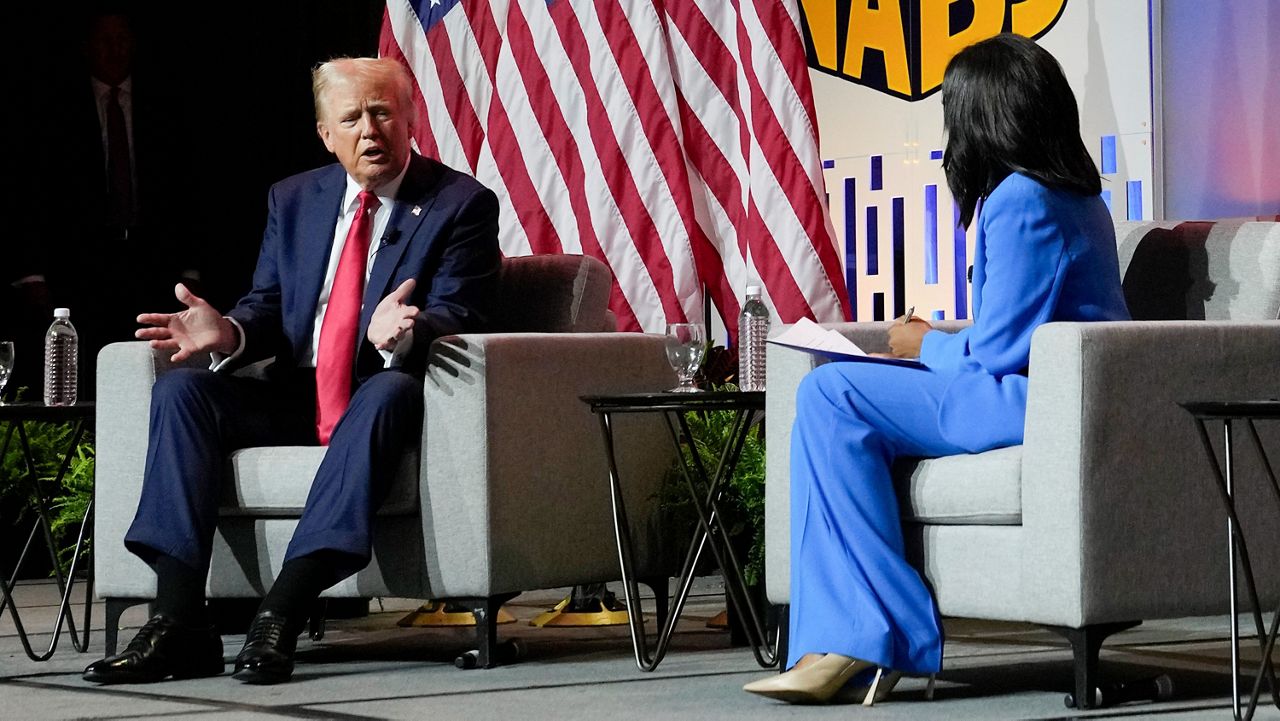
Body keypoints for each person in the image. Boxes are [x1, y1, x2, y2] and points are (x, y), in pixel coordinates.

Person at [82, 56, 501, 685]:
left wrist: (407, 332)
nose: (370, 130)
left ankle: (281, 609)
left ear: (410, 119)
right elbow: (271, 305)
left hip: (381, 394)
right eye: (352, 117)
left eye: (383, 112)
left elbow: (461, 309)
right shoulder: (296, 198)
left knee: (388, 390)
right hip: (296, 394)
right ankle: (177, 623)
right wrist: (232, 331)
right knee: (182, 392)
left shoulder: (459, 204)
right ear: (325, 133)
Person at [743, 33, 1130, 705]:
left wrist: (922, 344)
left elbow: (997, 352)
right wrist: (928, 345)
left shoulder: (1021, 201)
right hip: (1037, 391)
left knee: (833, 393)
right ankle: (852, 635)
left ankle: (865, 637)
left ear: (984, 116)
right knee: (835, 400)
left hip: (1027, 400)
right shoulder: (1073, 197)